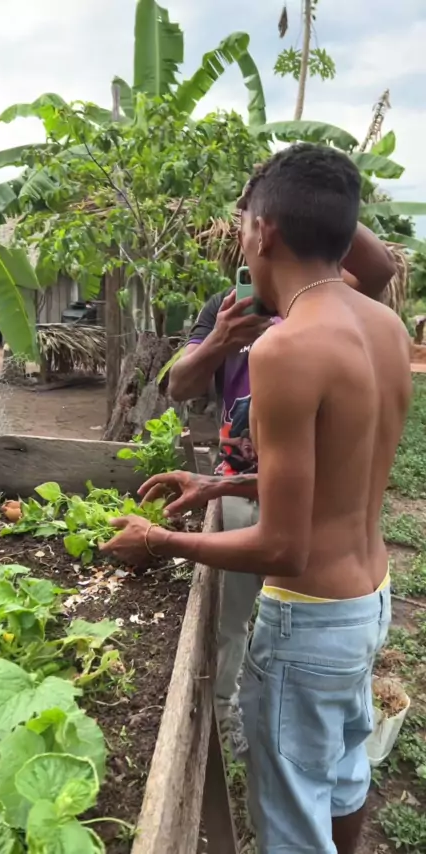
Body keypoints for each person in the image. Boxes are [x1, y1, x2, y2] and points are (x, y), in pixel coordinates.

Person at [100, 144, 412, 854]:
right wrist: (221, 484)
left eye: (245, 223)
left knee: (292, 823)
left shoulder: (286, 348)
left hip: (308, 622)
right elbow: (336, 477)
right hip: (369, 601)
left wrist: (158, 540)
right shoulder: (385, 327)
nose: (240, 238)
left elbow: (283, 546)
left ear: (264, 233)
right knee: (343, 776)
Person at [165, 206, 397, 749]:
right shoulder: (226, 307)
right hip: (235, 485)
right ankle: (224, 714)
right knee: (228, 621)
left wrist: (299, 194)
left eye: (251, 221)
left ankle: (280, 720)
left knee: (295, 621)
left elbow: (381, 268)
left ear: (266, 232)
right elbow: (178, 385)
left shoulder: (325, 300)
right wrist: (221, 339)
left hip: (313, 498)